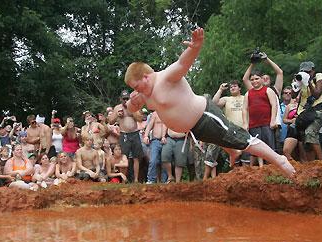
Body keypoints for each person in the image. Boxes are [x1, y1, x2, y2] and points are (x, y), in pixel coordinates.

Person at [124, 28, 295, 177]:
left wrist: (196, 47)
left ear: (145, 77)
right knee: (221, 139)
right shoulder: (144, 93)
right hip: (195, 129)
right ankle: (233, 152)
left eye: (137, 86)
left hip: (205, 115)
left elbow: (183, 63)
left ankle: (280, 160)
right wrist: (133, 101)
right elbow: (132, 107)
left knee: (243, 139)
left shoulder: (166, 78)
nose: (136, 91)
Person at [291, 61, 322, 161]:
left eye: (308, 71)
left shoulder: (318, 76)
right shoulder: (299, 79)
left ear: (313, 70)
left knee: (310, 133)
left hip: (319, 110)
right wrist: (297, 84)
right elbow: (293, 96)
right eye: (303, 71)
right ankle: (311, 164)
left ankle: (321, 162)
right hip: (305, 113)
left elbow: (317, 94)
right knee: (305, 139)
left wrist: (308, 83)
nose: (306, 73)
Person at [242, 70, 278, 167]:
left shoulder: (268, 90)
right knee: (258, 146)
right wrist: (245, 123)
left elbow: (274, 105)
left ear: (262, 79)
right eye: (252, 79)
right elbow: (244, 109)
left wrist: (273, 120)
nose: (254, 81)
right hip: (254, 124)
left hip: (267, 123)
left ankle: (271, 166)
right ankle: (261, 167)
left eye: (257, 78)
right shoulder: (248, 93)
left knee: (269, 146)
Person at [108, 90, 144, 182]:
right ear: (120, 99)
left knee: (136, 157)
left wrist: (132, 111)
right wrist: (117, 115)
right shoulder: (117, 108)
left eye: (127, 98)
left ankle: (136, 180)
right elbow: (110, 121)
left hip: (135, 133)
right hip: (124, 134)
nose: (125, 100)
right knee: (123, 157)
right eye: (123, 99)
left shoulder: (134, 106)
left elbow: (140, 119)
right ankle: (124, 179)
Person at [142, 110, 167, 183]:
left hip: (166, 140)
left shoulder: (168, 112)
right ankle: (151, 179)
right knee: (153, 160)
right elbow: (150, 125)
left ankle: (164, 180)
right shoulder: (155, 114)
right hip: (155, 140)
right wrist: (146, 136)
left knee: (165, 161)